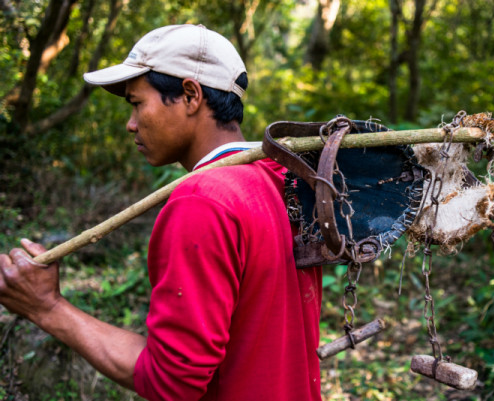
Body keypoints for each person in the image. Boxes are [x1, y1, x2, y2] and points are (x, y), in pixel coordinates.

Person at [0, 24, 323, 401]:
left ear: (190, 95)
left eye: (137, 103)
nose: (131, 123)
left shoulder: (202, 200)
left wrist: (47, 307)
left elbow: (171, 381)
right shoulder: (281, 179)